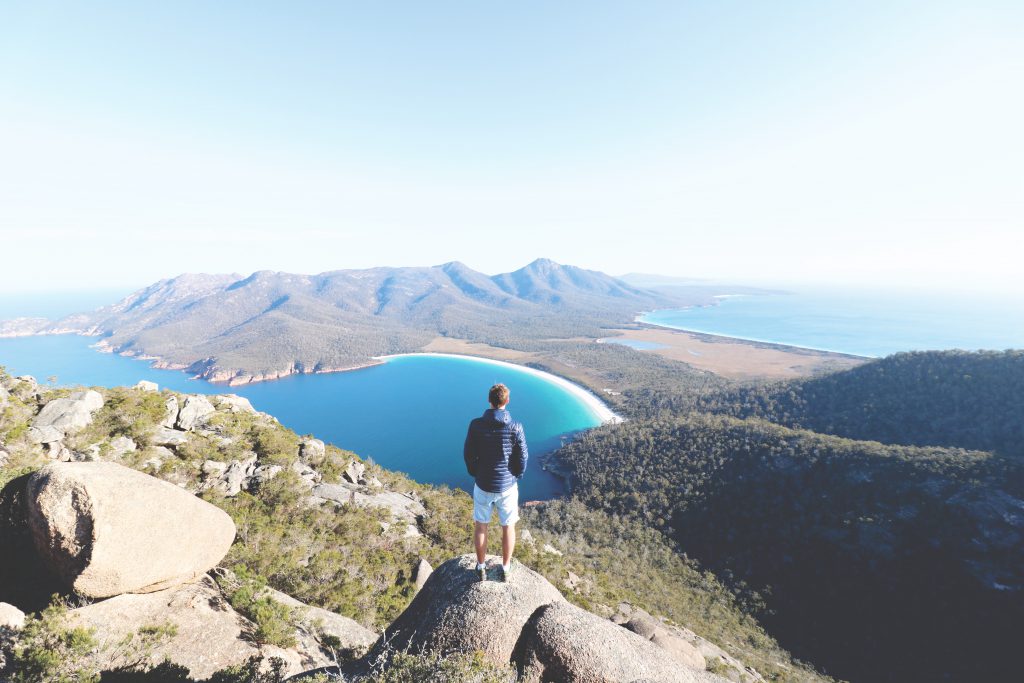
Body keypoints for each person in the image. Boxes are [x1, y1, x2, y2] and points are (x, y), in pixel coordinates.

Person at [463, 382, 528, 582]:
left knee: (481, 525)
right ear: (506, 401)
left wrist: (475, 472)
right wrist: (516, 475)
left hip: (483, 484)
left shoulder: (476, 424)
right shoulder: (515, 426)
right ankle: (506, 568)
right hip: (507, 486)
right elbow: (523, 456)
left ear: (489, 401)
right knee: (508, 527)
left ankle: (481, 567)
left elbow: (468, 454)